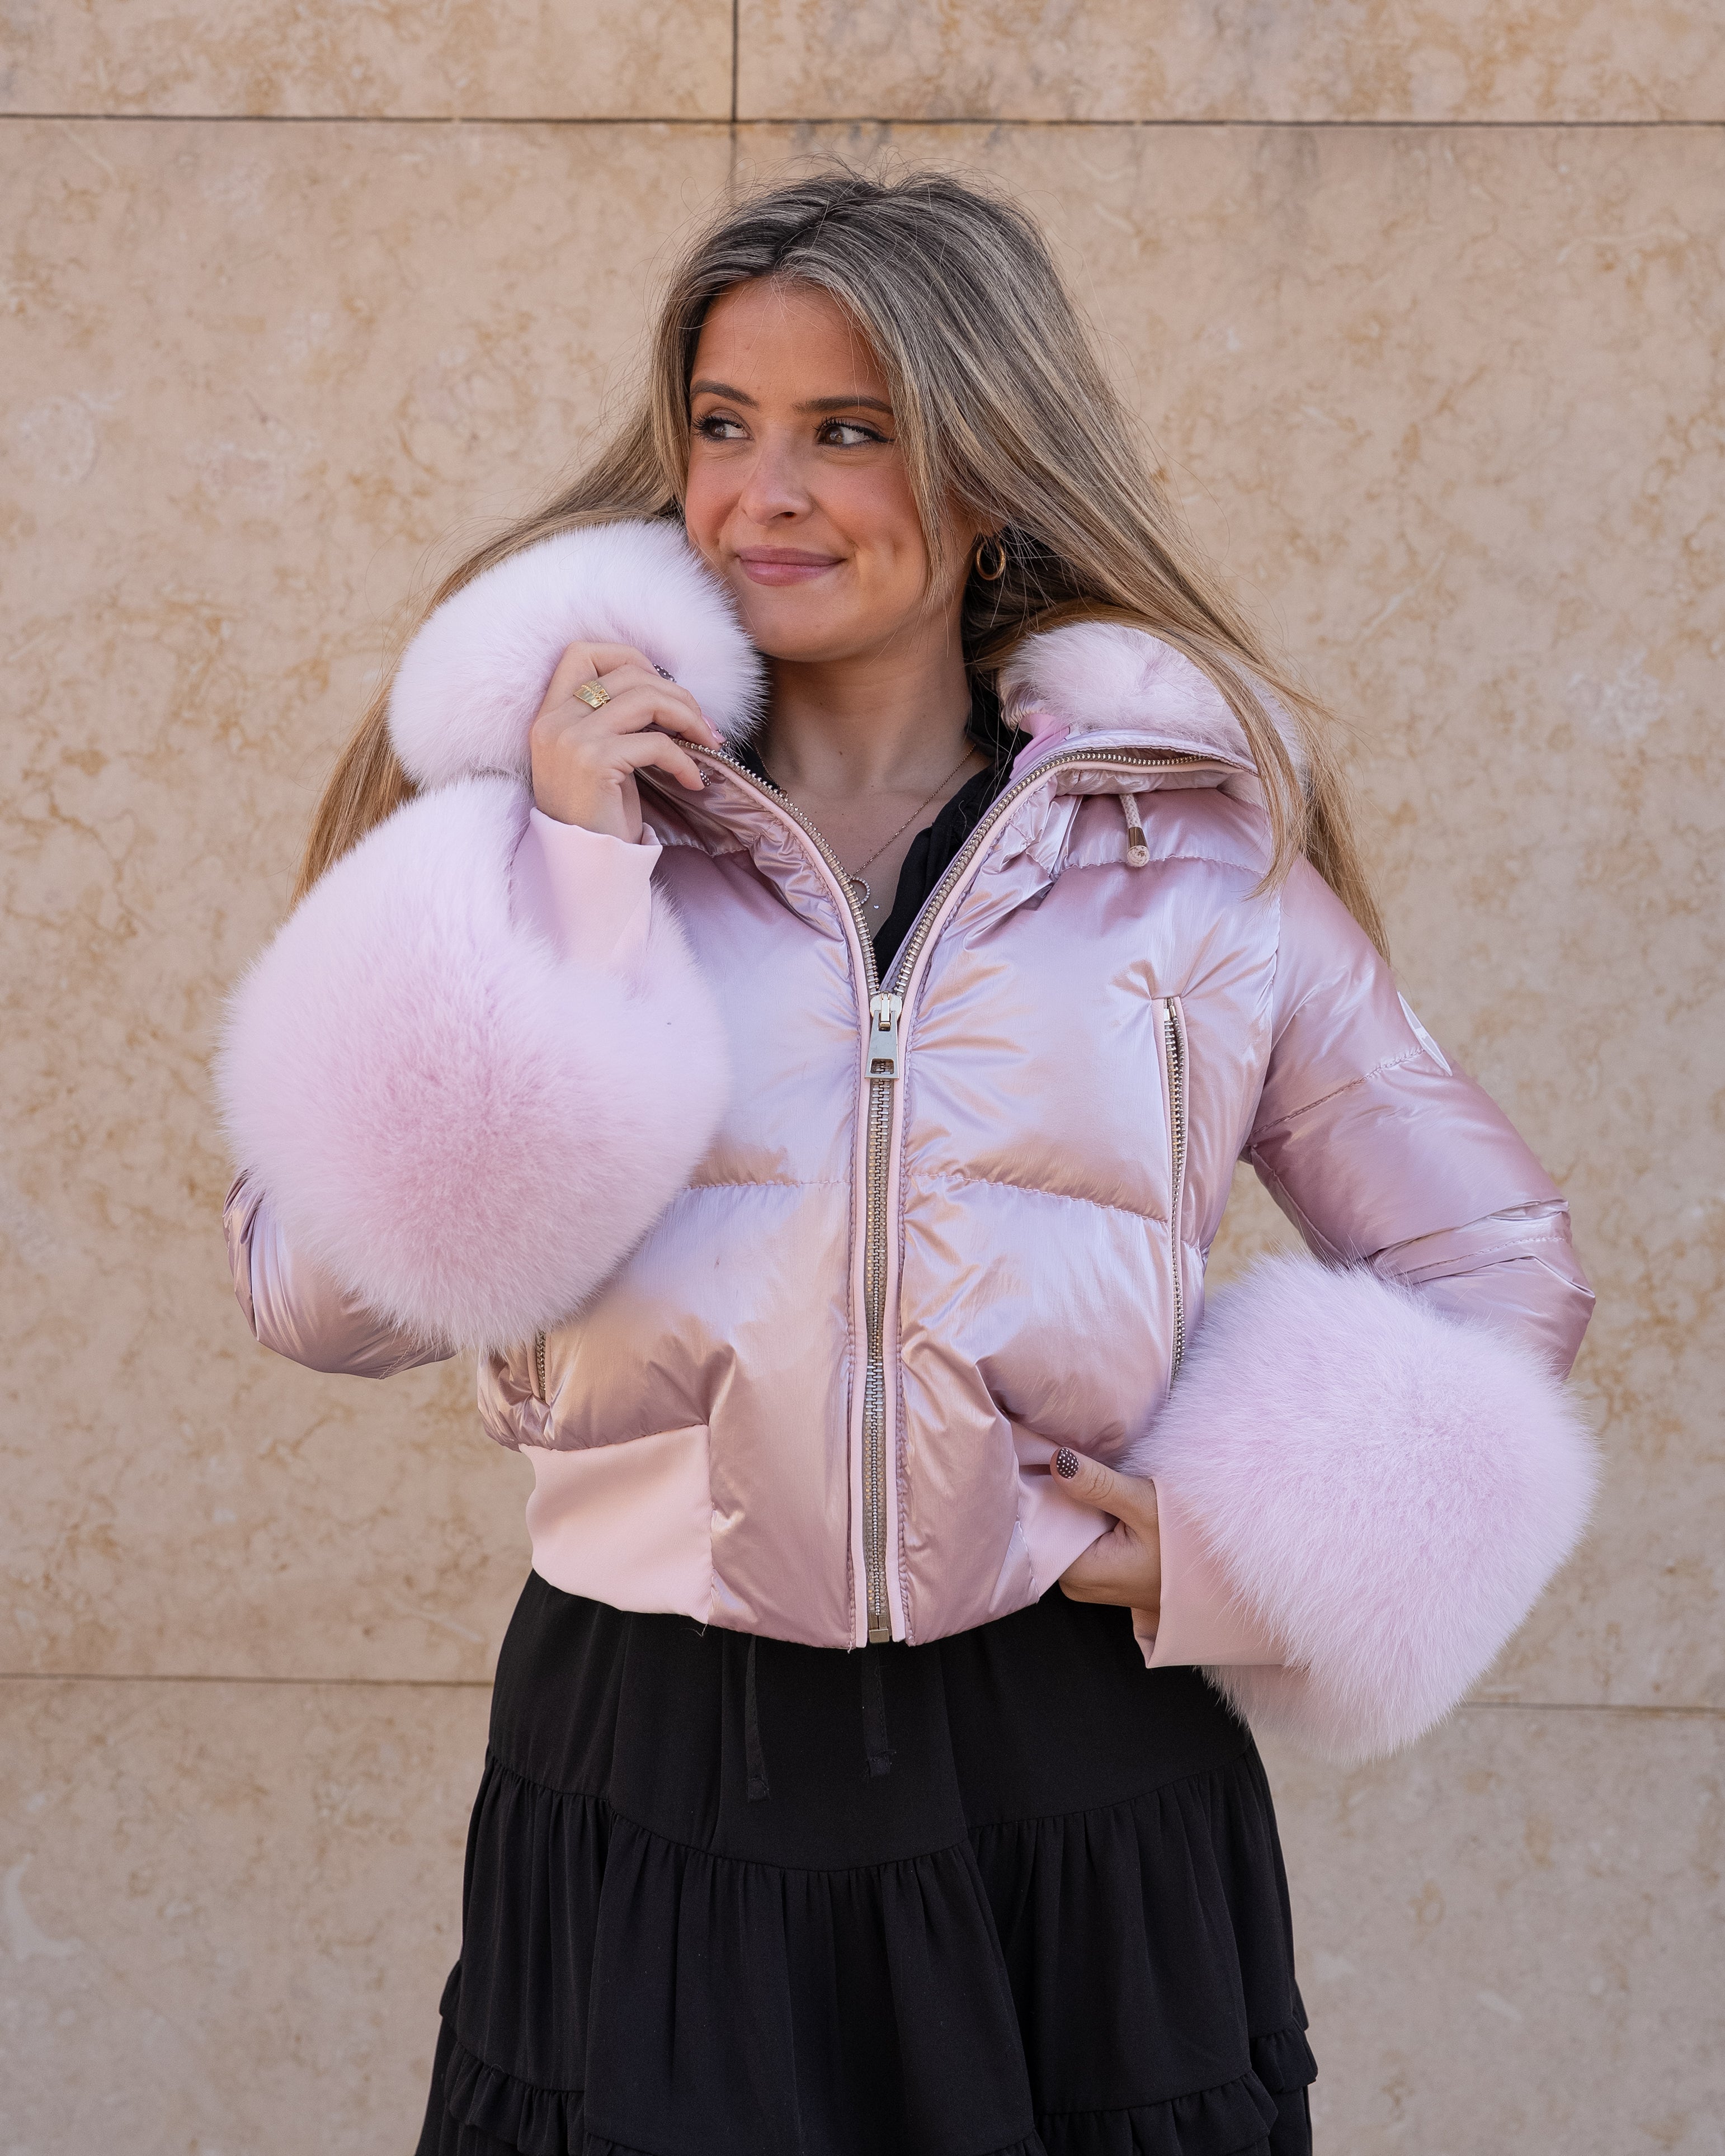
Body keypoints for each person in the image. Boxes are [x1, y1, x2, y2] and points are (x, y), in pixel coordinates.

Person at [218, 168, 1596, 2156]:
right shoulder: (521, 837)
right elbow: (314, 1298)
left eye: (846, 431)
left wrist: (1242, 1553)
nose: (762, 493)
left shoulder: (1192, 863)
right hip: (651, 1757)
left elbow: (1495, 1263)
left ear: (987, 474)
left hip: (1075, 1777)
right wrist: (578, 889)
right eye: (722, 425)